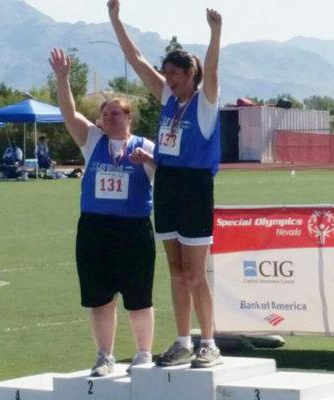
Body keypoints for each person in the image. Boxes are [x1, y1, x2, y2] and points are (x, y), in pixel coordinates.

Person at [108, 0, 222, 368]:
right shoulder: (169, 100)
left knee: (196, 271)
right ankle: (183, 340)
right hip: (168, 183)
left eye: (175, 73)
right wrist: (116, 20)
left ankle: (209, 342)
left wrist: (215, 33)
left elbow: (214, 69)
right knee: (175, 269)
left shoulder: (205, 102)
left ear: (191, 74)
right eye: (167, 72)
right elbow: (137, 60)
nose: (168, 78)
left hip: (195, 187)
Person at [49, 47, 156, 376]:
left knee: (138, 297)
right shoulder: (91, 141)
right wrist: (63, 78)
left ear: (129, 118)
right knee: (98, 298)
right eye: (106, 114)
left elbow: (166, 176)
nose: (111, 118)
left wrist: (148, 162)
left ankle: (142, 354)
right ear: (99, 120)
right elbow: (69, 114)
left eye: (118, 114)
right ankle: (105, 356)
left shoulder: (146, 146)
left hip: (134, 230)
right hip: (95, 229)